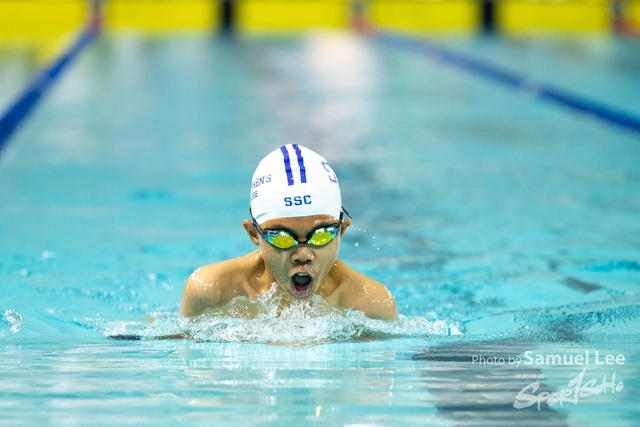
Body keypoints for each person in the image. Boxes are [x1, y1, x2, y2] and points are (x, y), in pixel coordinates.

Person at [180, 144, 398, 321]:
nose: (303, 254)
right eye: (282, 237)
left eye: (321, 235)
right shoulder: (212, 292)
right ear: (254, 234)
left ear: (341, 231)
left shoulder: (372, 305)